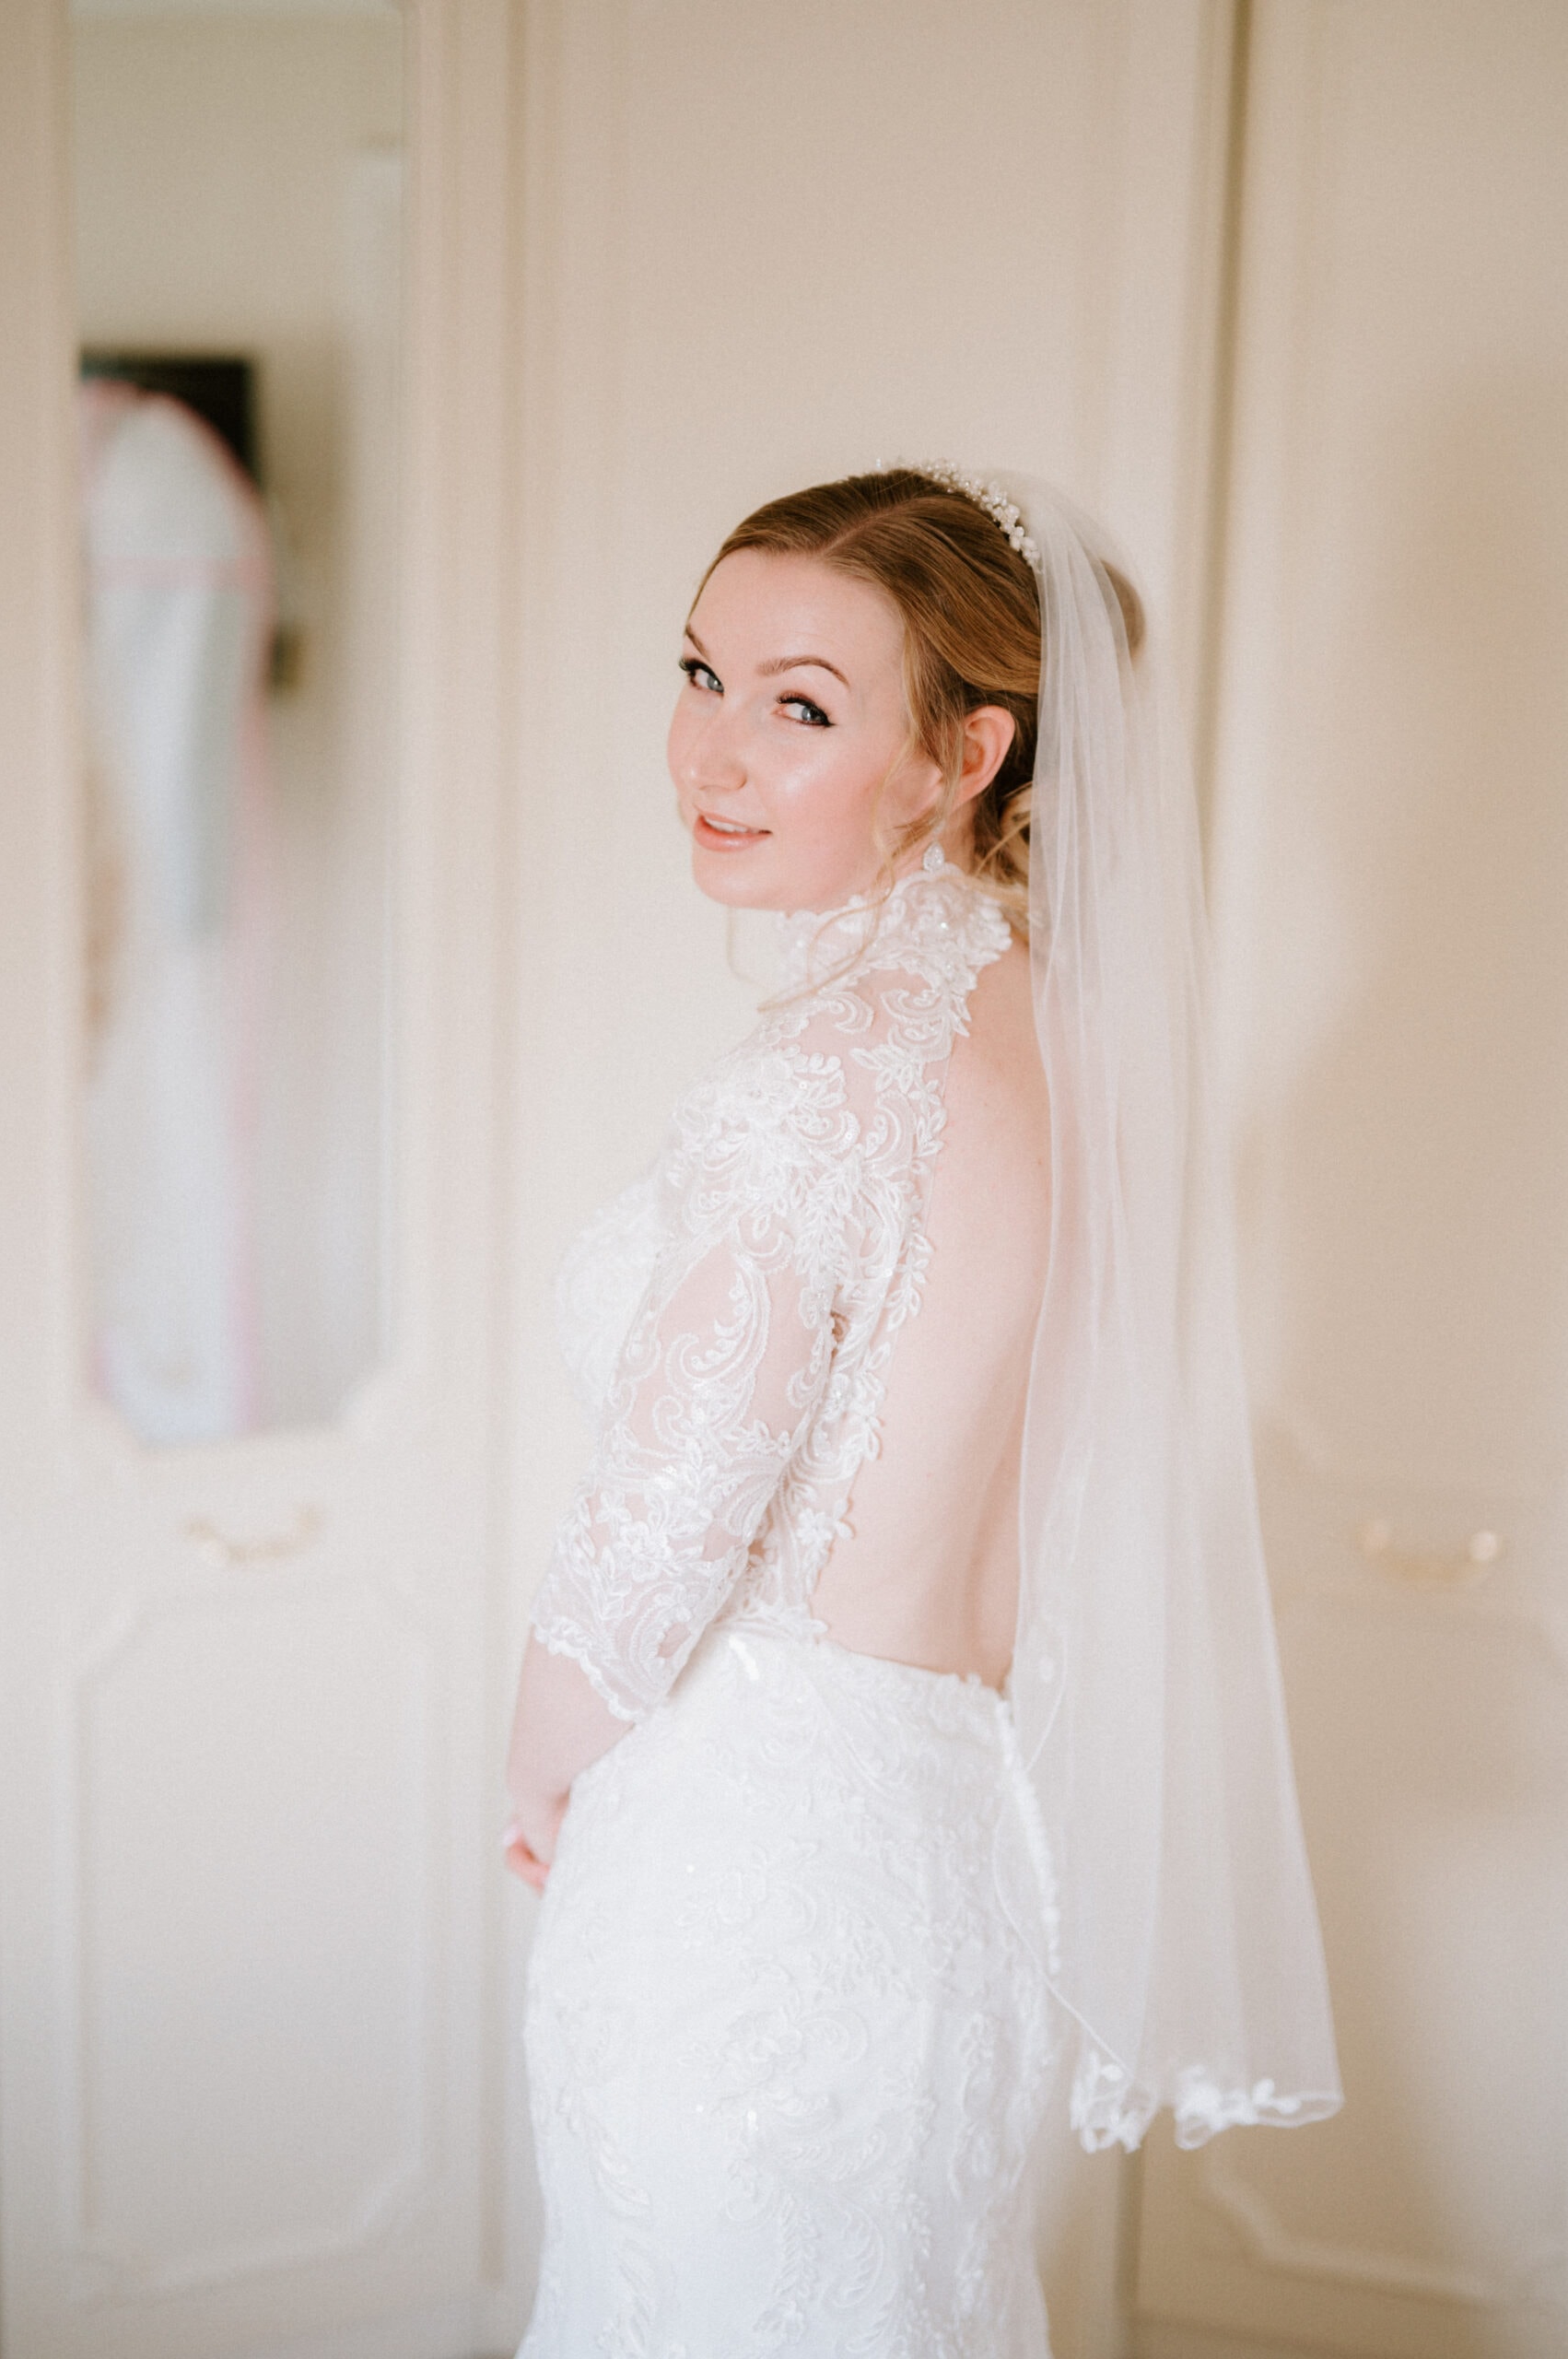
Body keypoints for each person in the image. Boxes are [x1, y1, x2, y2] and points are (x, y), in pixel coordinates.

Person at [504, 466, 1341, 2356]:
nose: (711, 750)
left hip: (743, 1862)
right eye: (702, 671)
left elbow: (678, 1484)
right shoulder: (1082, 1045)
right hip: (960, 1854)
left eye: (801, 706)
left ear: (964, 750)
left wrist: (545, 1742)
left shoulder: (823, 1069)